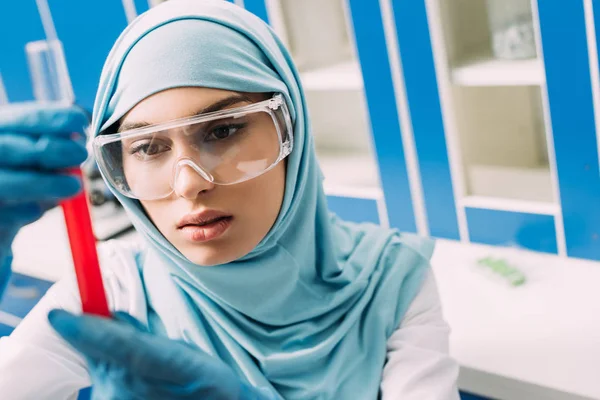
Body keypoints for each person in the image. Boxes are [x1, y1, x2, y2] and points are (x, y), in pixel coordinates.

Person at [0, 1, 460, 398]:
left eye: (223, 130)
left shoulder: (392, 279)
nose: (187, 186)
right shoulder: (114, 291)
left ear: (291, 132)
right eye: (147, 147)